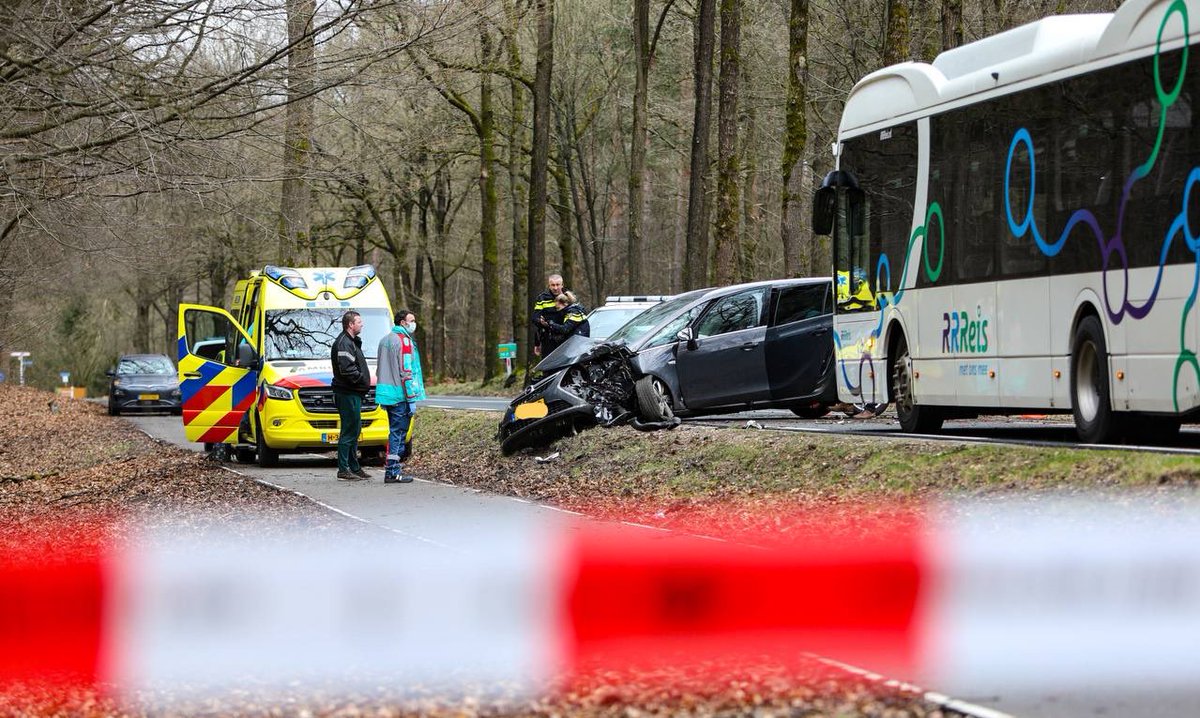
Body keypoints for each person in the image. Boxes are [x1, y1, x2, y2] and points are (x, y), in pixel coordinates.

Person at [375, 309, 426, 484]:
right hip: (400, 395)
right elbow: (406, 372)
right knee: (398, 434)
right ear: (403, 322)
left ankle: (391, 470)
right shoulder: (404, 342)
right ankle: (392, 472)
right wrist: (411, 398)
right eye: (411, 320)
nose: (414, 324)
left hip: (387, 395)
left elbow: (380, 370)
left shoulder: (384, 340)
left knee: (394, 432)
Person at [331, 310, 371, 481]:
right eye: (359, 322)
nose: (362, 324)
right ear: (350, 324)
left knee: (355, 429)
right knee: (349, 430)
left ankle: (354, 467)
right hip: (347, 393)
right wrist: (361, 380)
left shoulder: (351, 342)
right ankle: (343, 469)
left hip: (353, 393)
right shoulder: (344, 343)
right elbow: (347, 370)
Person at [532, 273, 566, 357]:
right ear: (549, 286)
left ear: (562, 285)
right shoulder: (542, 298)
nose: (555, 288)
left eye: (557, 285)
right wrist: (541, 322)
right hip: (548, 338)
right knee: (548, 366)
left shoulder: (568, 297)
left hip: (565, 338)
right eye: (553, 285)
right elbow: (534, 318)